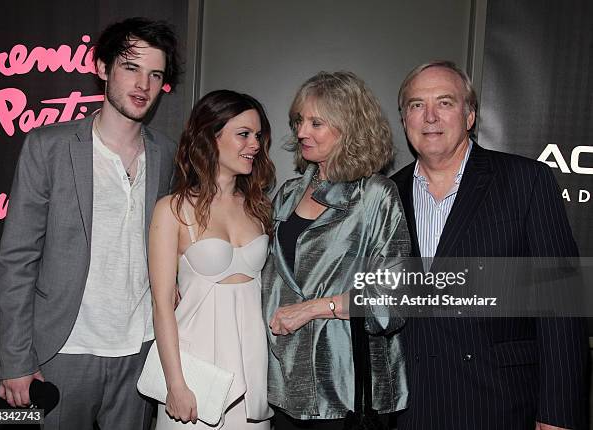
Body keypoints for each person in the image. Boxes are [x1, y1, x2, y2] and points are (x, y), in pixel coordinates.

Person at [0, 17, 180, 429]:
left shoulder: (166, 153)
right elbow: (17, 259)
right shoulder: (49, 147)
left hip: (140, 350)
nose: (143, 85)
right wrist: (14, 359)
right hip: (62, 350)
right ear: (102, 67)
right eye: (131, 67)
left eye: (155, 74)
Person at [391, 60, 588, 430]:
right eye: (417, 105)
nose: (430, 116)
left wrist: (557, 413)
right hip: (410, 407)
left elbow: (562, 302)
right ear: (404, 120)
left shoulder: (525, 181)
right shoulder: (386, 195)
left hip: (499, 402)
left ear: (469, 116)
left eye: (445, 102)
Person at [262, 71, 410, 429]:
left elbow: (394, 298)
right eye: (299, 121)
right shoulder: (288, 192)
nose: (300, 132)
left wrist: (312, 309)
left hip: (347, 387)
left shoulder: (375, 195)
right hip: (282, 382)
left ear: (349, 127)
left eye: (316, 122)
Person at [149, 89, 275, 429]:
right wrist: (176, 383)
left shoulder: (259, 208)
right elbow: (161, 306)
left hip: (251, 370)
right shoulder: (172, 210)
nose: (255, 145)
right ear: (210, 136)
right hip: (194, 373)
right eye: (244, 134)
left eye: (258, 136)